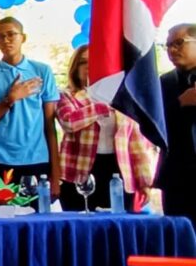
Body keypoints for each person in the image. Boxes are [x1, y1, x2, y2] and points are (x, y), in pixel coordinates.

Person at [56, 45, 157, 212]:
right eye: (83, 62)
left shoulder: (123, 97)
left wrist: (144, 182)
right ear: (75, 68)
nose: (89, 67)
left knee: (117, 224)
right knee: (80, 223)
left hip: (119, 170)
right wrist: (100, 107)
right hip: (79, 172)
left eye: (95, 62)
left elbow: (136, 143)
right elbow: (69, 122)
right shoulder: (66, 95)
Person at [0, 17, 61, 198]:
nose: (6, 40)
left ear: (23, 37)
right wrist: (9, 100)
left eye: (11, 34)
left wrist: (56, 173)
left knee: (37, 215)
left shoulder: (42, 71)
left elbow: (50, 126)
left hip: (36, 160)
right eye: (0, 36)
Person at [158, 24, 196, 226]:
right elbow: (153, 127)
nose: (172, 50)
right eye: (168, 45)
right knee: (180, 236)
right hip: (177, 178)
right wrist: (180, 103)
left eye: (179, 43)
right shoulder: (163, 83)